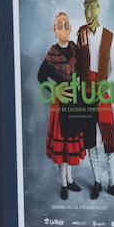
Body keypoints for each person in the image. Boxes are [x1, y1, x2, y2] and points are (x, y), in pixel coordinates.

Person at [75, 0, 114, 200]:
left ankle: (112, 183)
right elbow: (77, 66)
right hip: (85, 93)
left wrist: (107, 85)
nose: (89, 11)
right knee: (90, 138)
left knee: (110, 138)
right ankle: (97, 181)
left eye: (92, 6)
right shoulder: (80, 35)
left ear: (98, 8)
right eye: (86, 6)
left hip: (102, 92)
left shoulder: (109, 36)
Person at [35, 11, 86, 200]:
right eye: (59, 25)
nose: (63, 29)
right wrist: (54, 90)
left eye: (66, 25)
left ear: (70, 28)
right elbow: (41, 77)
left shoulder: (75, 51)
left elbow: (82, 72)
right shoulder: (51, 55)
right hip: (60, 103)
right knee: (61, 143)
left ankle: (70, 180)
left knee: (70, 143)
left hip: (75, 101)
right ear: (54, 30)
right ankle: (63, 184)